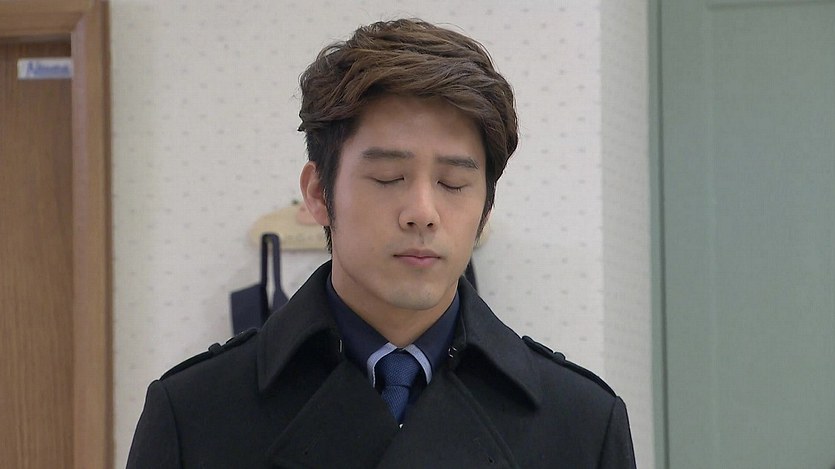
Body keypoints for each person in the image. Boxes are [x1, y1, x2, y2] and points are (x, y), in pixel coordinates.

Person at [127, 19, 636, 468]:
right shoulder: (194, 414)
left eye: (453, 184)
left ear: (485, 208)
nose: (422, 212)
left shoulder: (582, 422)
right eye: (389, 177)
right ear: (319, 194)